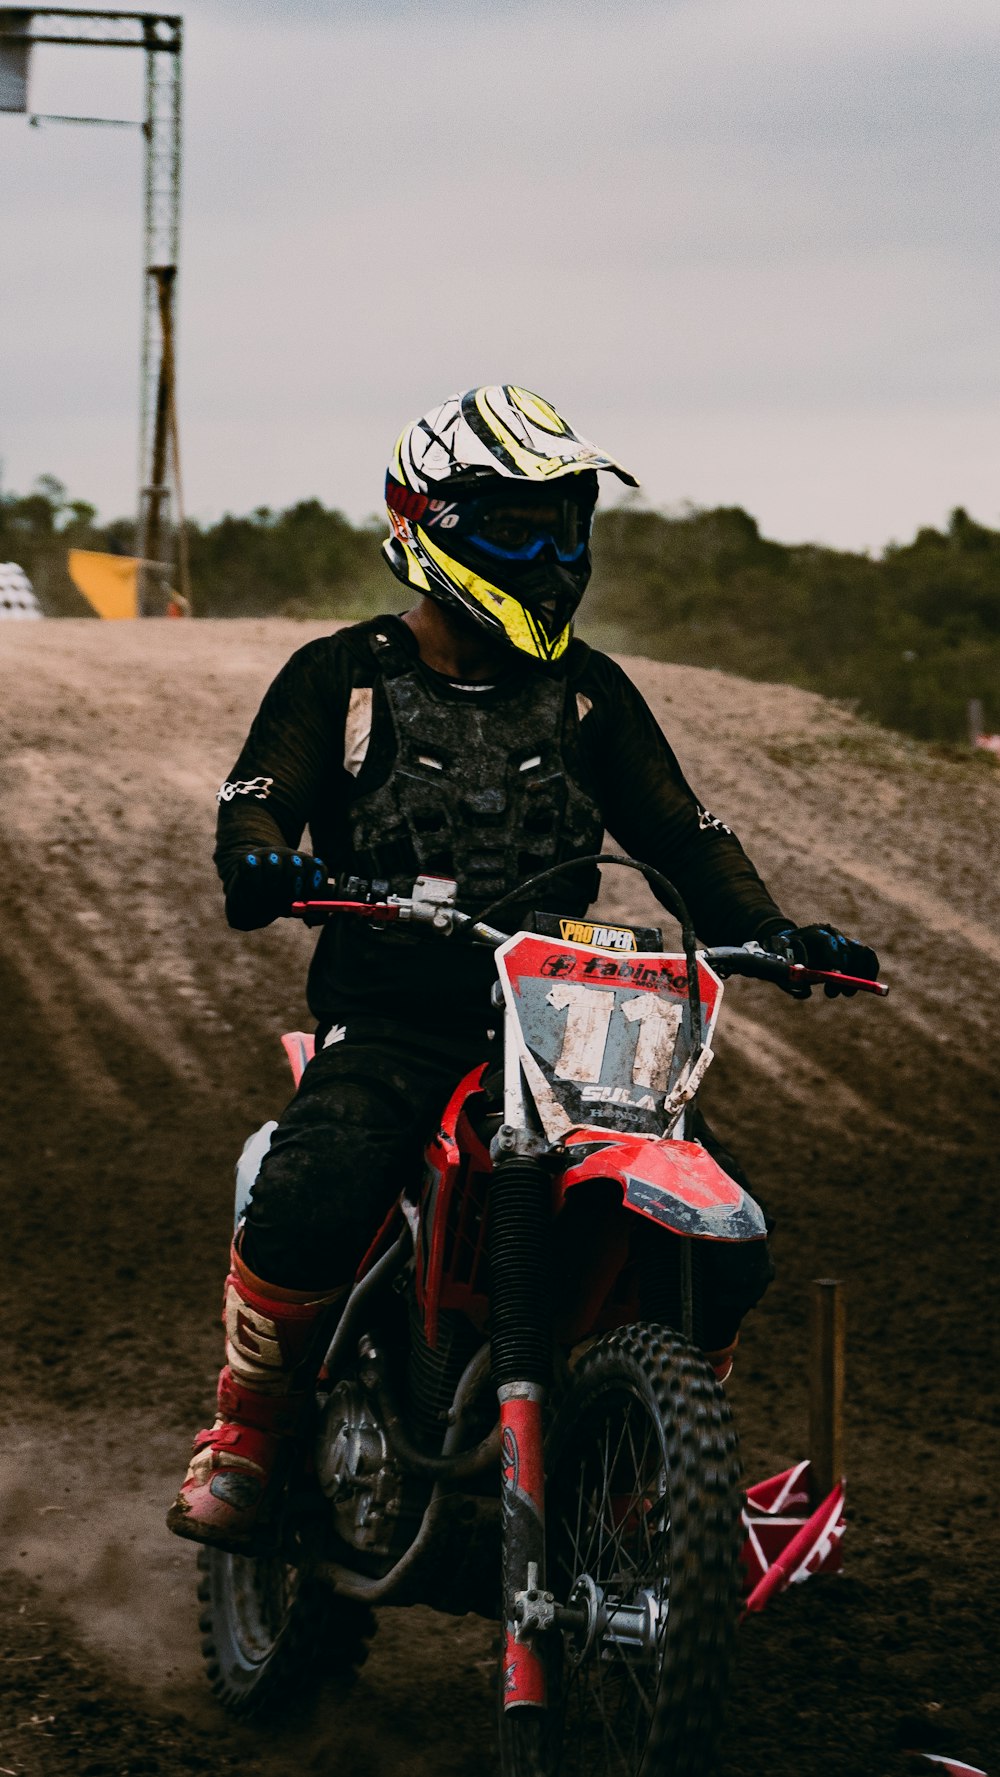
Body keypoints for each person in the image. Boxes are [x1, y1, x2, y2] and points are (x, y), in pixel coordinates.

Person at [166, 384, 879, 1554]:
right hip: (396, 1022)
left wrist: (775, 932)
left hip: (563, 1033)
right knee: (309, 1191)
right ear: (428, 527)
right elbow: (264, 797)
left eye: (567, 526)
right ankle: (246, 1432)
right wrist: (261, 861)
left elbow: (681, 834)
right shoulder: (339, 675)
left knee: (726, 1233)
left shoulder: (588, 691)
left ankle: (655, 1467)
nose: (550, 557)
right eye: (514, 529)